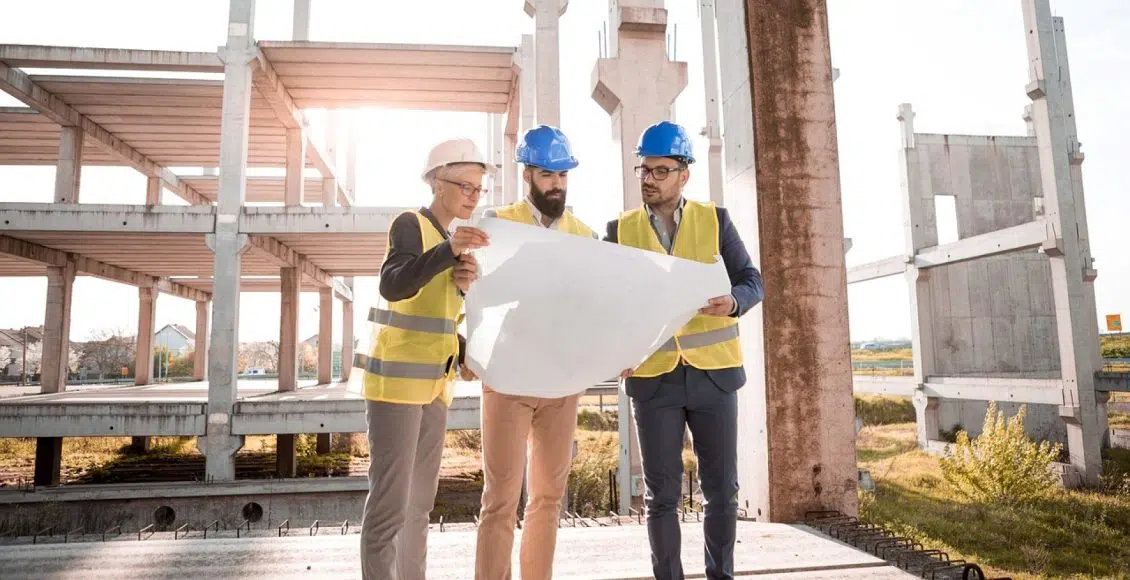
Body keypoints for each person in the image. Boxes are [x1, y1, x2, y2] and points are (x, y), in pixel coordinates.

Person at [604, 121, 764, 580]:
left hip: (714, 376)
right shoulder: (620, 229)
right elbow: (602, 299)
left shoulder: (715, 221)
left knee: (720, 491)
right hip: (654, 380)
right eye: (644, 170)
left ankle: (721, 576)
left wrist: (733, 302)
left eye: (660, 170)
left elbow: (752, 281)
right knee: (662, 497)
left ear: (683, 175)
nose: (648, 179)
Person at [356, 137, 491, 580]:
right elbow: (394, 285)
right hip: (396, 386)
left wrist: (464, 287)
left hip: (435, 388)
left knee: (418, 506)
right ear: (437, 183)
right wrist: (447, 253)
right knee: (390, 507)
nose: (473, 195)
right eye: (465, 186)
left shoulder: (454, 243)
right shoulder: (411, 224)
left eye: (478, 188)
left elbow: (440, 321)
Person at [473, 125, 598, 580]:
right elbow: (477, 295)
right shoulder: (498, 224)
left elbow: (595, 304)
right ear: (528, 173)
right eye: (548, 174)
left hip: (562, 383)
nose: (557, 184)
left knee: (547, 499)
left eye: (563, 175)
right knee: (500, 500)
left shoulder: (583, 233)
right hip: (509, 379)